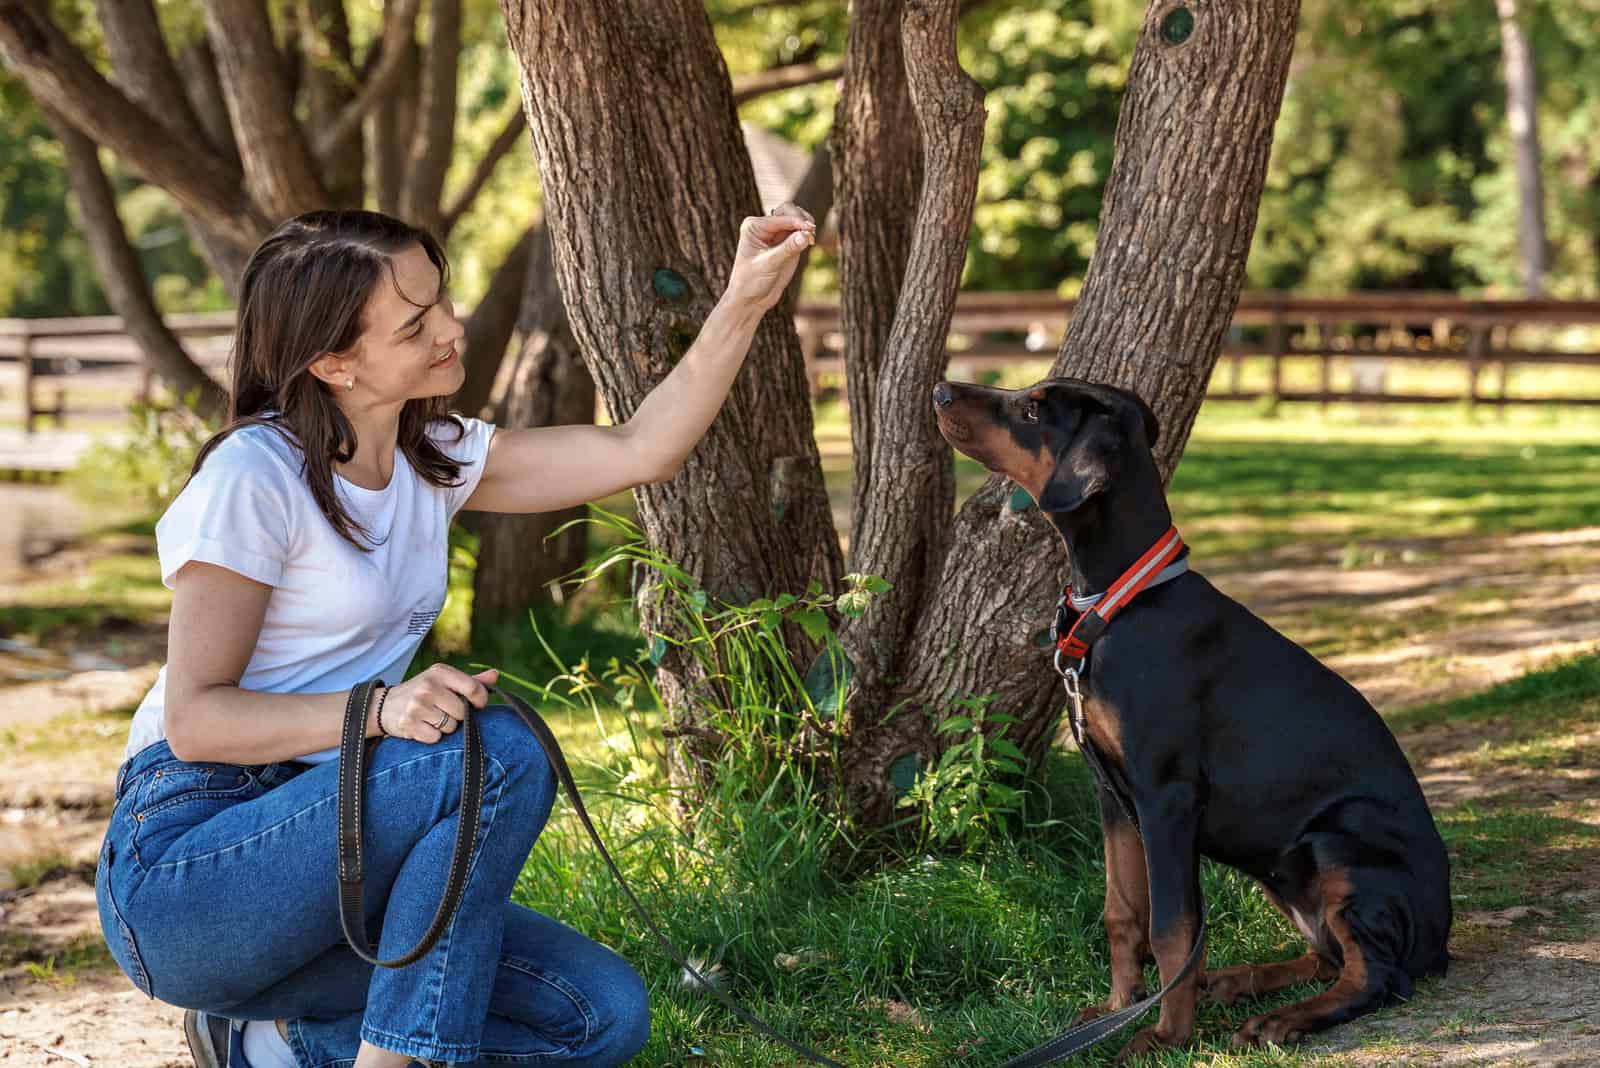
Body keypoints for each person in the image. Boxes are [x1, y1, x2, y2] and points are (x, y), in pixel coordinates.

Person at [95, 204, 817, 1068]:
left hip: (346, 851)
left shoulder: (429, 456)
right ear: (332, 362)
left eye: (441, 302)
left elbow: (639, 449)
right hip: (197, 869)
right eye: (414, 325)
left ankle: (274, 1044)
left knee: (602, 1017)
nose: (451, 328)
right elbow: (199, 722)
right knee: (496, 749)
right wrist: (380, 710)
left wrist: (743, 298)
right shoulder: (255, 478)